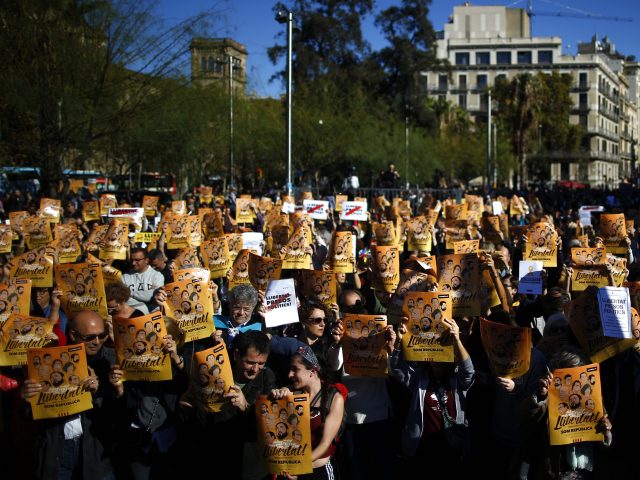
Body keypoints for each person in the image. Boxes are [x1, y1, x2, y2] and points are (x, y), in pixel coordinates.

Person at [21, 310, 116, 479]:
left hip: (95, 450)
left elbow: (121, 411)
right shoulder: (49, 361)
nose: (97, 342)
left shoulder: (111, 362)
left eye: (102, 336)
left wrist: (97, 394)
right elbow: (29, 416)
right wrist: (28, 399)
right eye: (89, 338)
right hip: (58, 449)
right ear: (73, 335)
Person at [178, 330, 276, 480]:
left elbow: (268, 427)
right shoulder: (215, 371)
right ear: (236, 355)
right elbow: (199, 420)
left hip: (249, 467)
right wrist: (187, 408)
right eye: (250, 362)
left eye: (261, 364)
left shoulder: (267, 378)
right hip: (214, 460)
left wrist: (246, 407)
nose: (255, 369)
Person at [390, 317, 474, 475]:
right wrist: (399, 342)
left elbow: (469, 371)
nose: (436, 359)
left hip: (452, 447)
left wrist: (456, 338)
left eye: (441, 352)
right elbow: (396, 369)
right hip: (422, 446)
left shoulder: (457, 380)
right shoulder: (419, 379)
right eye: (433, 353)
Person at [271, 345, 346, 479]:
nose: (289, 374)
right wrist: (278, 398)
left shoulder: (334, 398)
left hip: (318, 471)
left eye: (295, 369)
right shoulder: (291, 393)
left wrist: (298, 465)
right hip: (293, 472)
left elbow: (325, 443)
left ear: (312, 371)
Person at [121, 247, 165, 314]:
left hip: (153, 316)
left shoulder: (157, 276)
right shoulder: (124, 277)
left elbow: (153, 295)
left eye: (137, 260)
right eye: (132, 260)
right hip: (133, 317)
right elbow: (124, 299)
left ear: (146, 260)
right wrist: (144, 295)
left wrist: (130, 293)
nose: (133, 263)